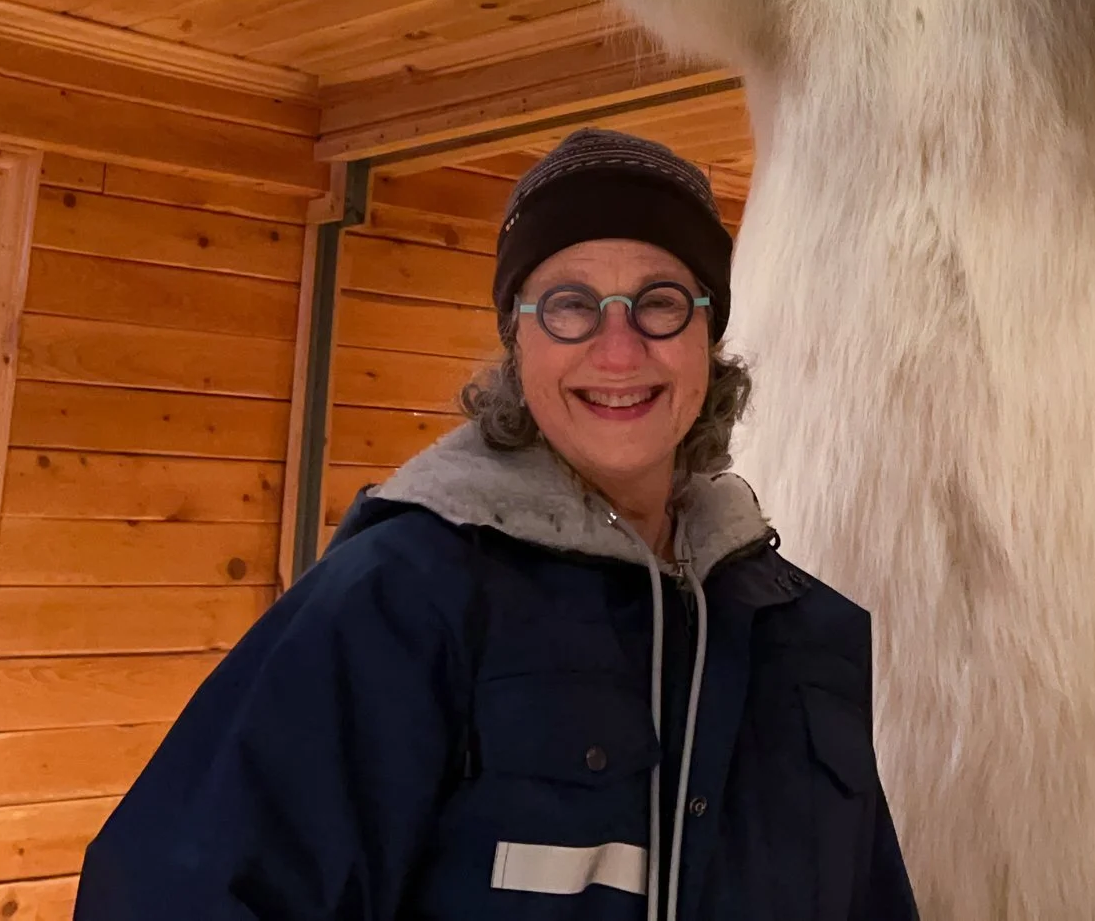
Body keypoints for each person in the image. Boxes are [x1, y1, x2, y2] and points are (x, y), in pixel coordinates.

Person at [76, 127, 921, 920]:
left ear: (709, 333)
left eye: (660, 302)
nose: (618, 350)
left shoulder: (801, 633)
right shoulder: (402, 598)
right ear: (519, 339)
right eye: (570, 304)